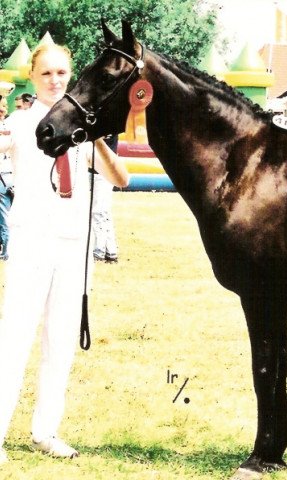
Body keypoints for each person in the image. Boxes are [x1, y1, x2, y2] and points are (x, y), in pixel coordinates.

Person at [0, 43, 129, 464]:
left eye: (61, 73)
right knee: (15, 338)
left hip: (73, 245)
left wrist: (97, 141)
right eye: (46, 74)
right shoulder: (19, 123)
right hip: (31, 240)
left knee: (60, 341)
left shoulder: (80, 127)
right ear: (32, 78)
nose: (55, 81)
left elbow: (122, 178)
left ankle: (45, 431)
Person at [92, 134, 120, 263]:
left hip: (101, 172)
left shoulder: (107, 128)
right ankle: (111, 251)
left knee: (98, 212)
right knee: (104, 212)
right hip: (102, 171)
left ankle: (99, 250)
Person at [0, 98, 13, 260]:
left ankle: (7, 252)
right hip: (10, 175)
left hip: (3, 177)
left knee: (4, 217)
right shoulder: (10, 125)